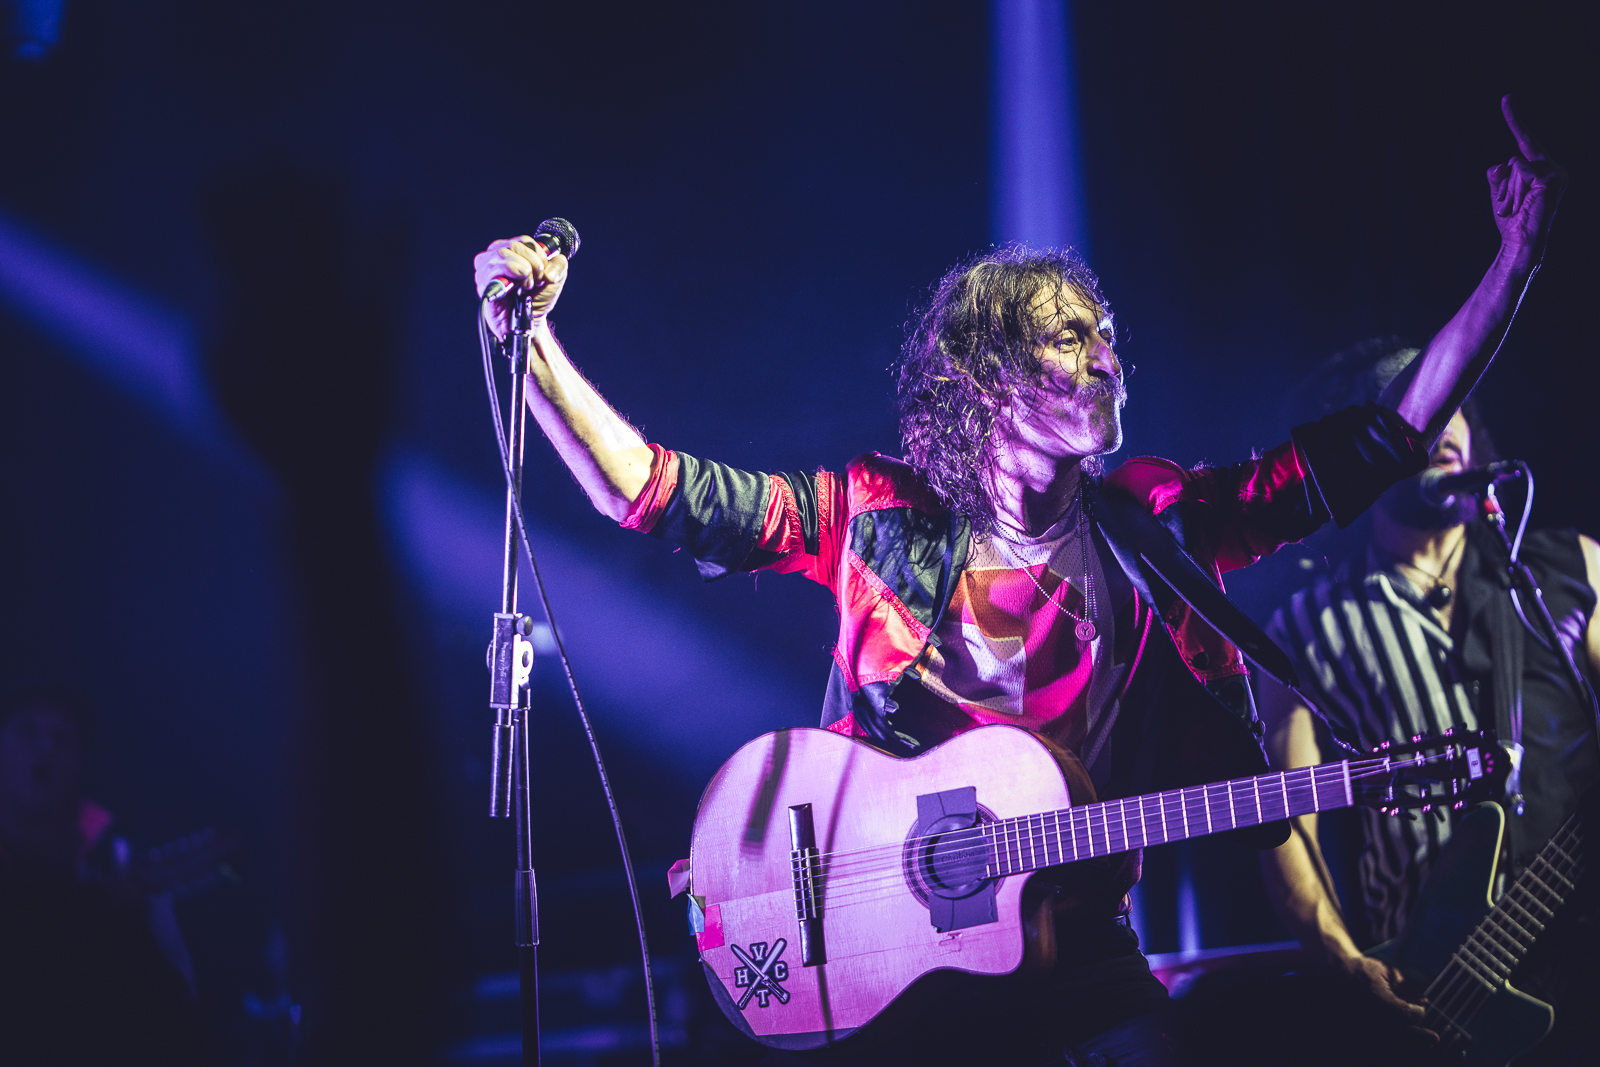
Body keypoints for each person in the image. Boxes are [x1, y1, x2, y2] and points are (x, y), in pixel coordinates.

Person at [472, 99, 1564, 1066]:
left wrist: (1512, 265)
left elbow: (1379, 439)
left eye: (1109, 339)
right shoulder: (877, 518)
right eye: (1070, 337)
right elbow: (652, 491)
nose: (1106, 358)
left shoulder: (1158, 524)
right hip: (896, 974)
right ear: (988, 378)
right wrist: (535, 349)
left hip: (1086, 959)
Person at [1257, 343, 1600, 1066]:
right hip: (1433, 993)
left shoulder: (1572, 568)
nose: (1445, 424)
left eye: (1457, 405)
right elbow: (1286, 825)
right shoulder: (1304, 627)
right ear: (1369, 446)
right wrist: (1347, 962)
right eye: (1420, 406)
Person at [0, 687, 210, 1065]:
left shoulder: (117, 861)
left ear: (79, 763)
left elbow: (179, 999)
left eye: (62, 738)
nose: (45, 747)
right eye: (28, 731)